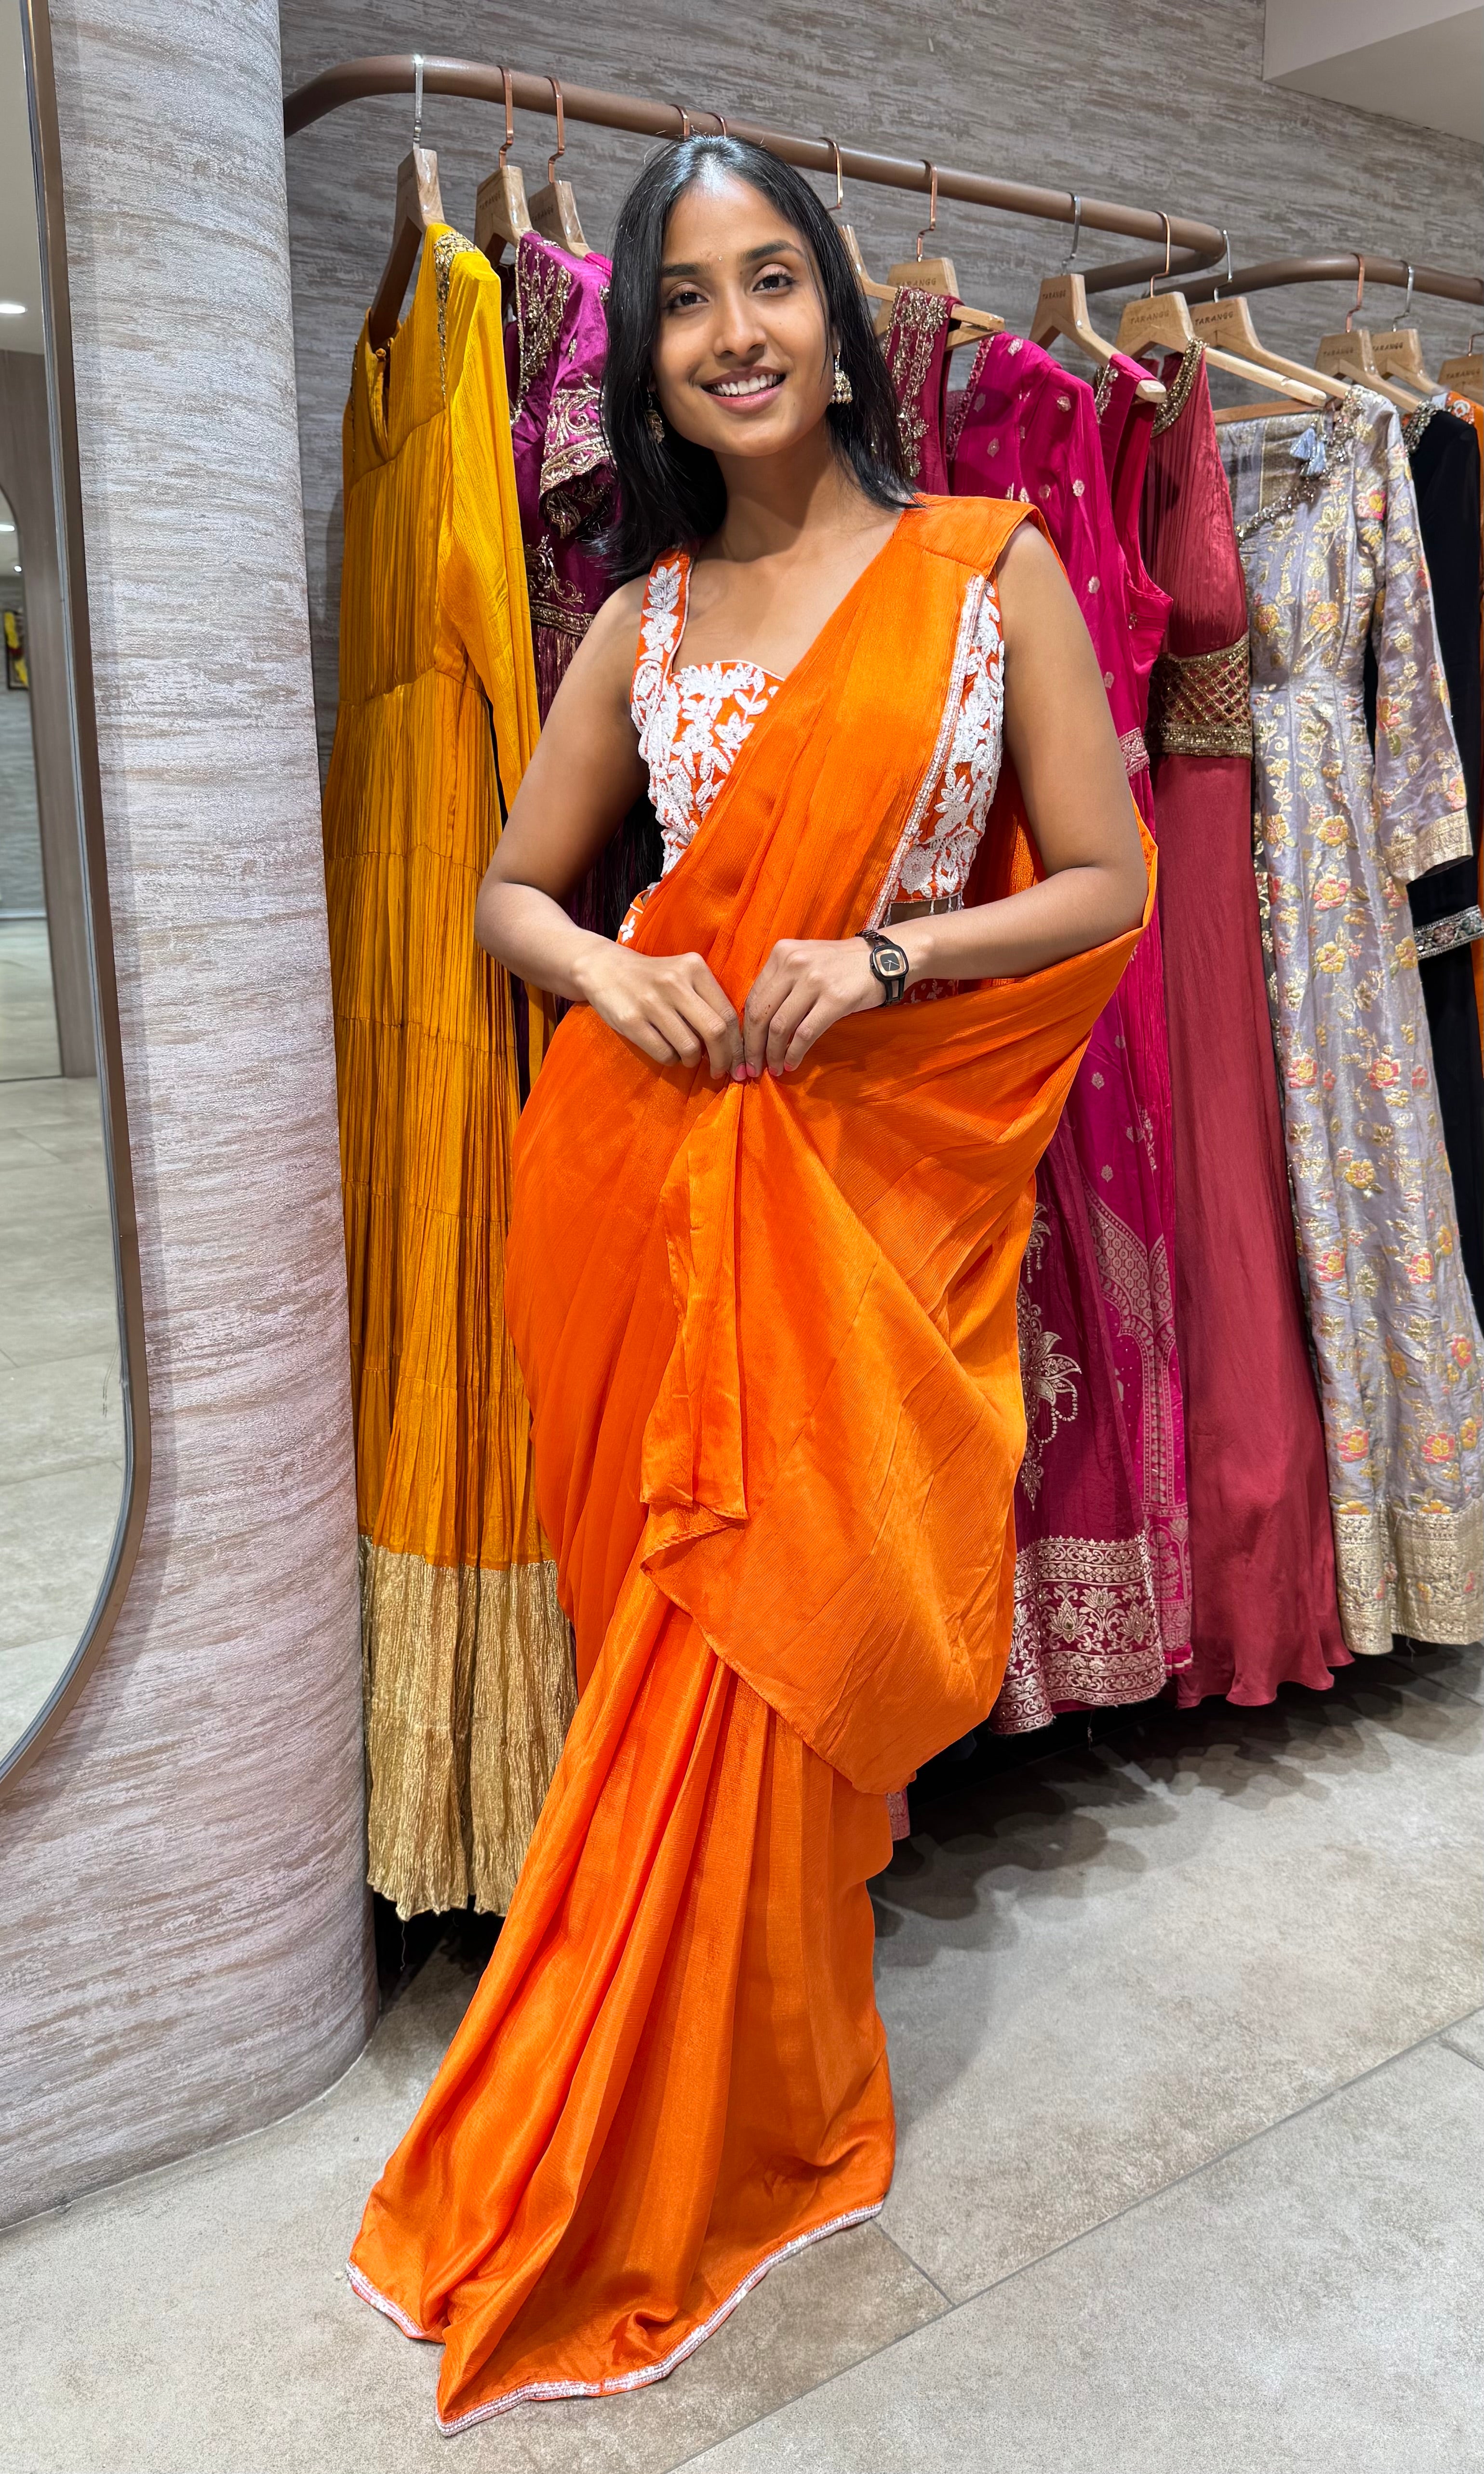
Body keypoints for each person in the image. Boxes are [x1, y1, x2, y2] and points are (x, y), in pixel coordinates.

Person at [348, 134, 1151, 2434]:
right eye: (687, 295)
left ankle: (770, 2100)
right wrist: (609, 973)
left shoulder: (985, 568)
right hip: (646, 1190)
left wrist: (888, 955)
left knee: (798, 1653)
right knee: (680, 1666)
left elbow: (1102, 882)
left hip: (869, 1200)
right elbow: (509, 890)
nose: (734, 330)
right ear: (648, 349)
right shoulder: (638, 623)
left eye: (770, 278)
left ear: (836, 312)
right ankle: (692, 2107)